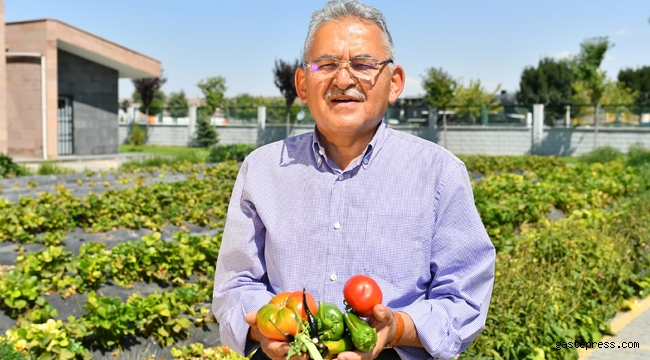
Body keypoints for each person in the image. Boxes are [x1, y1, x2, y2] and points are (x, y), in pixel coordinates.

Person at [212, 1, 496, 359]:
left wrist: (397, 328)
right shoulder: (262, 169)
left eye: (363, 65)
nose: (343, 79)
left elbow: (464, 296)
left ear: (394, 84)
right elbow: (235, 283)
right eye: (326, 64)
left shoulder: (439, 173)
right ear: (302, 84)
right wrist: (264, 325)